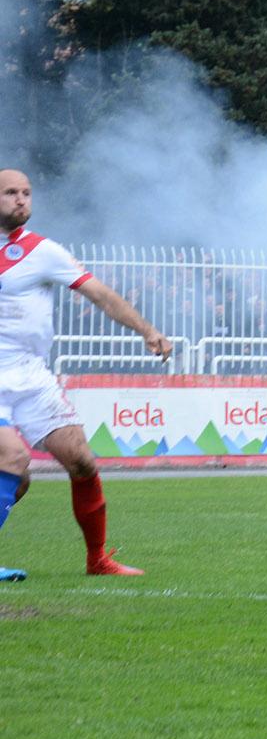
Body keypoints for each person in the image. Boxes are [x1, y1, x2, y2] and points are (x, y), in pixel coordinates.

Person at [0, 168, 170, 579]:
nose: (21, 199)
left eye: (26, 192)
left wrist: (147, 330)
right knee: (14, 459)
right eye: (10, 192)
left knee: (81, 463)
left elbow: (102, 296)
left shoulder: (43, 251)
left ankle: (98, 560)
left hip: (31, 377)